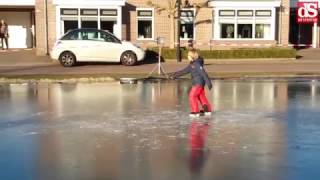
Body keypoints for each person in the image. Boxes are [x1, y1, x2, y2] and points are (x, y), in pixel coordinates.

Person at [170, 49, 213, 117]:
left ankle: (195, 112)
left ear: (192, 56)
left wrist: (209, 83)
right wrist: (175, 75)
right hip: (199, 83)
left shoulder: (197, 64)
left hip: (198, 83)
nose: (187, 57)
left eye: (188, 56)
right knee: (201, 96)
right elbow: (184, 71)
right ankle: (207, 110)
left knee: (192, 96)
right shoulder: (192, 64)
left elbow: (203, 73)